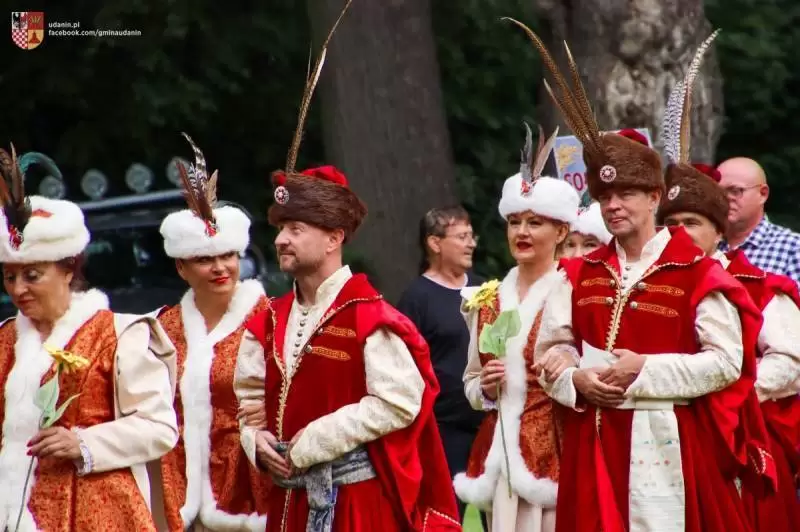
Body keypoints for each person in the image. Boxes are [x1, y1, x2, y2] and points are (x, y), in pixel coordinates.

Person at [506, 23, 772, 531]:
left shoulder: (697, 272)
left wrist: (643, 369)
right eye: (605, 196)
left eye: (626, 194)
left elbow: (725, 363)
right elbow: (552, 349)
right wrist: (574, 378)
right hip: (592, 445)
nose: (613, 205)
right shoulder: (578, 272)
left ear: (654, 197)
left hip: (668, 447)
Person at [233, 3, 460, 530]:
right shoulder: (268, 319)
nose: (282, 240)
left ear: (334, 237)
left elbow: (400, 401)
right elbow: (248, 401)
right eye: (280, 229)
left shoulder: (371, 319)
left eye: (296, 229)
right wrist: (254, 440)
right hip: (288, 504)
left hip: (356, 504)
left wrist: (312, 441)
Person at [0, 148, 178, 531]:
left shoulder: (119, 334)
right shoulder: (4, 341)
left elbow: (160, 427)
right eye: (9, 277)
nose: (18, 289)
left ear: (68, 269)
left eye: (32, 275)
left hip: (101, 514)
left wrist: (83, 443)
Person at [657, 63, 800, 530]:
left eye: (691, 223)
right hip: (664, 445)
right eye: (670, 224)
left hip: (742, 439)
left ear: (718, 232)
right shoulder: (650, 286)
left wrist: (726, 393)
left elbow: (790, 363)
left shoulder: (761, 286)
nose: (679, 233)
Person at [453, 125, 577, 532]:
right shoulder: (486, 299)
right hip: (497, 458)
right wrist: (487, 388)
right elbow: (471, 382)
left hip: (555, 458)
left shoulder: (574, 291)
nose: (521, 232)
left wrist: (568, 362)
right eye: (515, 222)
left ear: (561, 231)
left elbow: (594, 364)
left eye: (535, 222)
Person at [154, 134, 271, 531]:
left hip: (251, 492)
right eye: (205, 259)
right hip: (179, 492)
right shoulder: (162, 329)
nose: (220, 268)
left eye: (227, 256)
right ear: (181, 267)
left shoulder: (271, 320)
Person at [396, 205, 484, 522]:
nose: (471, 243)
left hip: (490, 424)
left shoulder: (485, 290)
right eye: (461, 237)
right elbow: (404, 369)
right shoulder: (416, 299)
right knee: (444, 518)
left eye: (471, 236)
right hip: (443, 431)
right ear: (435, 243)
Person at [717, 156, 800, 285]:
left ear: (763, 194)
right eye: (719, 192)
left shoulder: (793, 248)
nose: (726, 198)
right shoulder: (707, 244)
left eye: (735, 191)